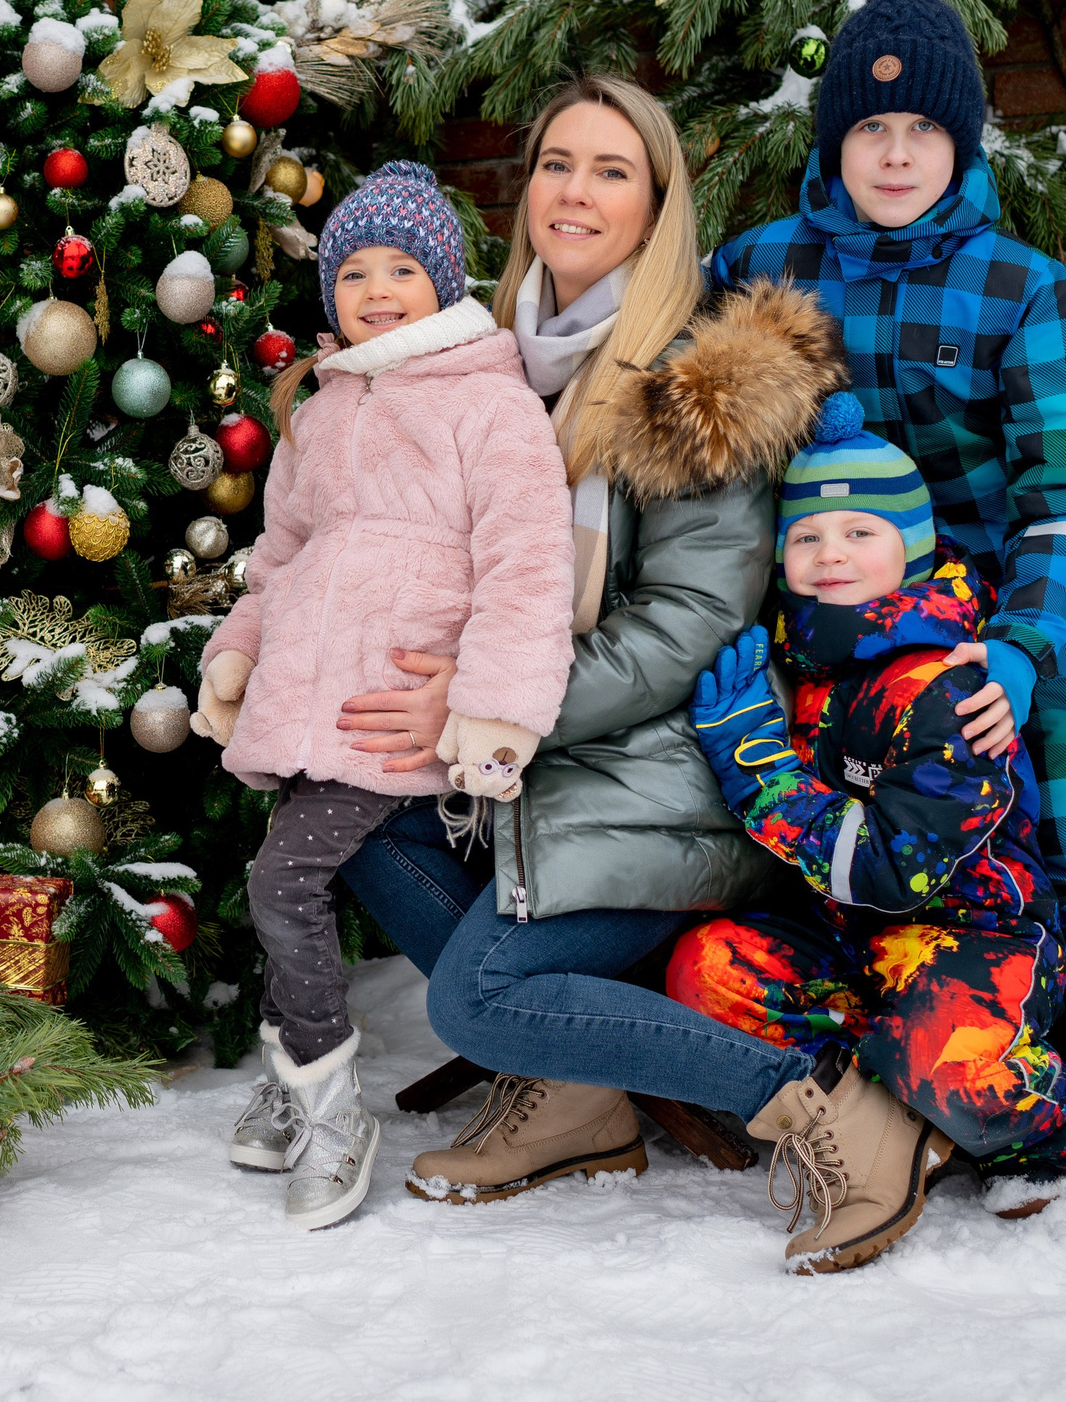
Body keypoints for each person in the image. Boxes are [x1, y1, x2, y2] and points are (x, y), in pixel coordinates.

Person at [708, 0, 1066, 1217]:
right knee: (834, 851)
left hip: (1009, 619)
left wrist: (1028, 645)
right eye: (869, 126)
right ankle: (913, 1085)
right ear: (833, 139)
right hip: (832, 622)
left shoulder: (1024, 285)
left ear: (961, 140)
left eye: (922, 128)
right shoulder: (759, 268)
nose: (894, 154)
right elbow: (701, 436)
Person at [324, 76, 850, 1204]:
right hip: (537, 766)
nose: (575, 191)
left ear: (655, 208)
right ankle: (574, 1094)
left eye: (612, 171)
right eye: (557, 164)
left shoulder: (692, 381)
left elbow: (689, 623)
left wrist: (490, 703)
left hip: (656, 772)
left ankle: (824, 1102)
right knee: (348, 801)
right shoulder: (482, 362)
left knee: (476, 998)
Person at [189, 160, 577, 1230]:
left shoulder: (489, 404)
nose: (375, 290)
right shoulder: (322, 410)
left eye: (401, 267)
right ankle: (292, 1080)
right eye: (353, 271)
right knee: (290, 884)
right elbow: (281, 557)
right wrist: (237, 655)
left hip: (395, 708)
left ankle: (330, 1108)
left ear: (442, 281)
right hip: (305, 702)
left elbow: (527, 563)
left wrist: (493, 707)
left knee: (282, 884)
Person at [670, 392, 1066, 1273]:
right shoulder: (798, 660)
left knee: (940, 1057)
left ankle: (1036, 1126)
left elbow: (894, 872)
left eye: (860, 532)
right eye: (807, 536)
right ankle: (873, 1101)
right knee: (706, 972)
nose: (831, 554)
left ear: (913, 545)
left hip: (970, 942)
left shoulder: (946, 687)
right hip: (844, 942)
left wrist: (760, 771)